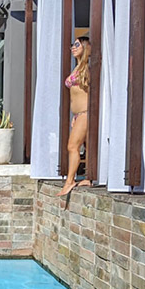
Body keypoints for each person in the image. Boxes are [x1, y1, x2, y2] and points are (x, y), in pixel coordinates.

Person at [56, 36, 91, 196]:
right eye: (72, 45)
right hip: (79, 114)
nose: (73, 48)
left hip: (86, 113)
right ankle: (89, 178)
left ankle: (70, 180)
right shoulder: (77, 68)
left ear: (85, 47)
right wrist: (74, 115)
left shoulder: (88, 68)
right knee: (87, 146)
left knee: (72, 146)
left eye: (77, 45)